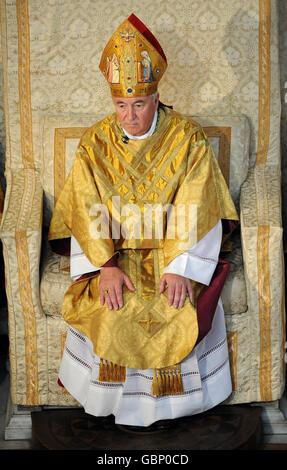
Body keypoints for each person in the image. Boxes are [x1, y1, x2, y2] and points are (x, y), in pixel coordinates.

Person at [48, 13, 238, 428]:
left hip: (173, 254)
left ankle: (177, 408)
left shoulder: (186, 138)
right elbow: (85, 203)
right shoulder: (95, 142)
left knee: (172, 306)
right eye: (121, 105)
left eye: (138, 104)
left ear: (156, 98)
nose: (129, 116)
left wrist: (181, 268)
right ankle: (113, 404)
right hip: (116, 254)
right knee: (114, 306)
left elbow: (197, 202)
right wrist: (106, 267)